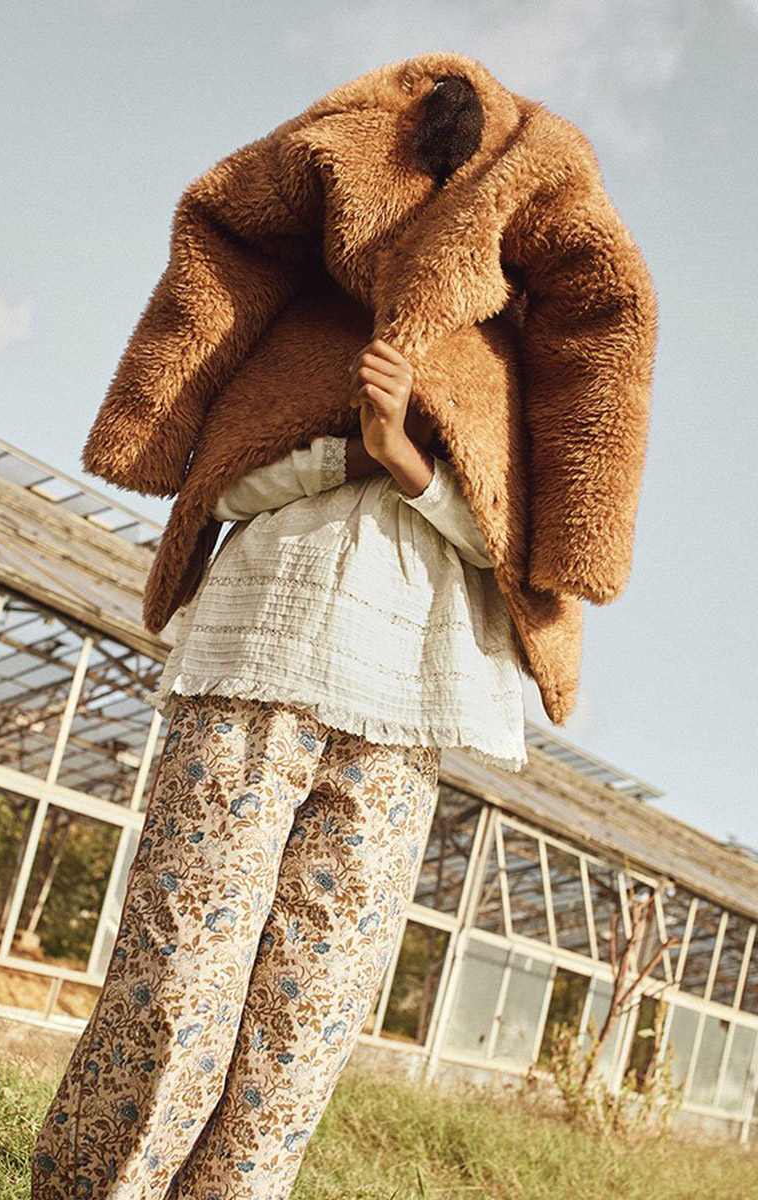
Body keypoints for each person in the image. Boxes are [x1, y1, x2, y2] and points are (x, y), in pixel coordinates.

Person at [32, 337, 527, 1200]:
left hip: (403, 711)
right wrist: (345, 453)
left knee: (305, 1018)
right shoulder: (309, 314)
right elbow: (217, 487)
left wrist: (403, 457)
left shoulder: (512, 359)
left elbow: (515, 550)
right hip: (253, 666)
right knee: (179, 978)